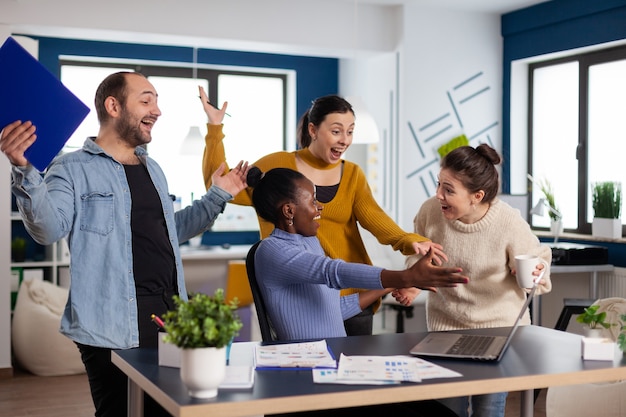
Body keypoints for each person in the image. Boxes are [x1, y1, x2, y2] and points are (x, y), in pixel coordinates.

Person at [0, 71, 249, 417]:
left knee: (168, 411)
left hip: (171, 318)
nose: (158, 110)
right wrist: (24, 169)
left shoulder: (155, 169)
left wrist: (218, 195)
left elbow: (169, 232)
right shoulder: (70, 168)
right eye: (146, 100)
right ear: (113, 106)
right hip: (112, 325)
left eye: (157, 101)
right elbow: (48, 229)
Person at [201, 91, 436, 335]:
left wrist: (411, 242)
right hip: (305, 296)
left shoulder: (353, 174)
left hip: (353, 297)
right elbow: (219, 185)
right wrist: (214, 129)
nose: (345, 139)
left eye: (350, 131)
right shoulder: (277, 168)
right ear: (313, 130)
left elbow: (377, 221)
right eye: (336, 131)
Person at [247, 165, 467, 417]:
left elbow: (332, 309)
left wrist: (392, 285)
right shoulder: (271, 251)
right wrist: (406, 275)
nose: (319, 208)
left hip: (340, 372)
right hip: (311, 383)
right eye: (313, 201)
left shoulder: (310, 242)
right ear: (289, 210)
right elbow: (332, 272)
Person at [405, 144, 552, 417]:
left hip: (498, 329)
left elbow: (538, 260)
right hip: (445, 329)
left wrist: (536, 271)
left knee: (488, 409)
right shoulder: (430, 212)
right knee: (447, 410)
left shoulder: (507, 221)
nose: (439, 195)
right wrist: (414, 282)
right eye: (439, 184)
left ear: (477, 196)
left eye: (448, 189)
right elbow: (418, 257)